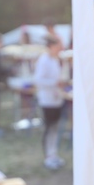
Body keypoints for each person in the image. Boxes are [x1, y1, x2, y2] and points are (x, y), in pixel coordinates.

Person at [33, 36, 68, 170]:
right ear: (51, 46)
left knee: (55, 128)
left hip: (56, 98)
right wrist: (55, 83)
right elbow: (39, 80)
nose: (60, 49)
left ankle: (53, 154)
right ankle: (48, 156)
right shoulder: (44, 60)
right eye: (58, 46)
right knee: (49, 128)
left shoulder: (55, 60)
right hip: (47, 99)